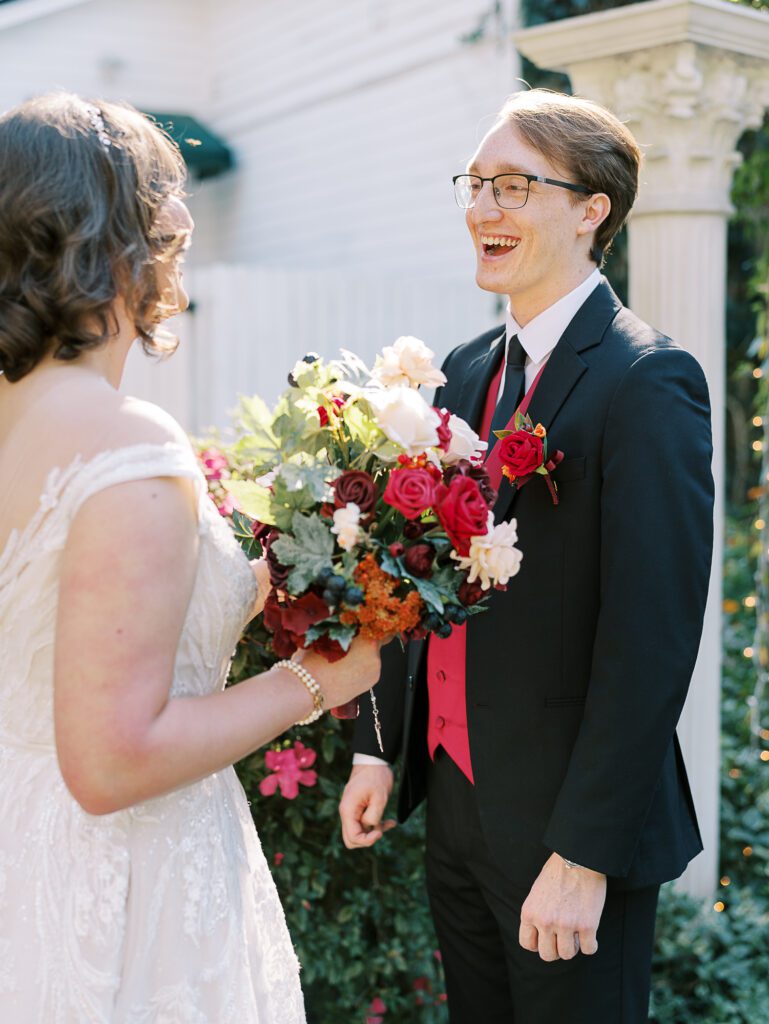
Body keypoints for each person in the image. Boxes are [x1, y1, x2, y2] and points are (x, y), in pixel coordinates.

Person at [0, 93, 381, 1023]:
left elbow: (66, 625)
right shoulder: (127, 447)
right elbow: (113, 761)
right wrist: (316, 680)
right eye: (165, 207)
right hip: (124, 887)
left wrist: (253, 585)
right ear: (122, 239)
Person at [339, 88, 714, 1024]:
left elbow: (652, 637)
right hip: (457, 806)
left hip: (567, 826)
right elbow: (405, 569)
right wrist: (377, 748)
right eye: (474, 184)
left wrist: (583, 855)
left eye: (511, 185)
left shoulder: (645, 380)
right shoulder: (464, 370)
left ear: (592, 211)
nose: (480, 208)